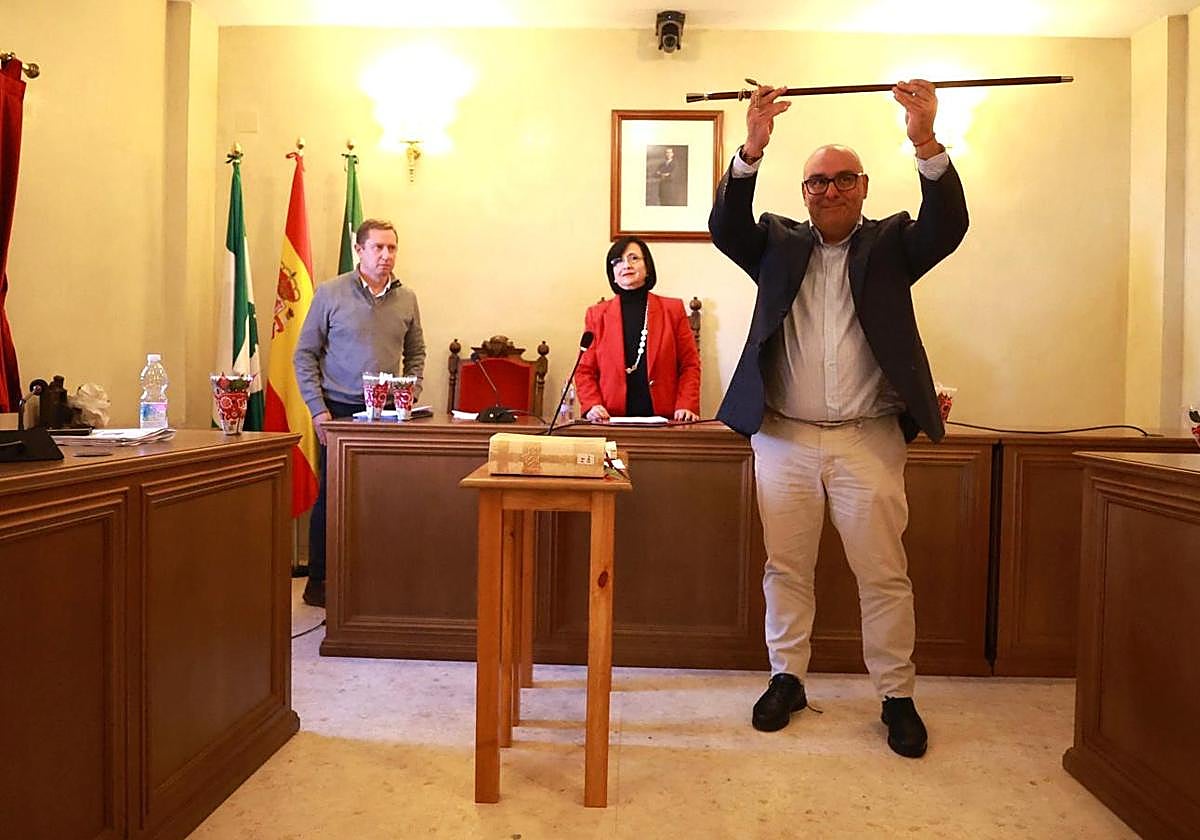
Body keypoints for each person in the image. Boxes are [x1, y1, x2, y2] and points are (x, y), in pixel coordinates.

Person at [708, 80, 969, 757]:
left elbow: (948, 227)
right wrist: (751, 150)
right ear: (804, 193)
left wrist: (925, 140)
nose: (830, 190)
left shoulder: (893, 244)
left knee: (883, 571)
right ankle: (786, 678)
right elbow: (726, 228)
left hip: (868, 438)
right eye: (817, 181)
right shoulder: (775, 243)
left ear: (863, 187)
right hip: (783, 436)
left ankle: (896, 694)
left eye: (843, 179)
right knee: (786, 567)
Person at [294, 219, 426, 607]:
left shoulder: (407, 298)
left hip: (389, 414)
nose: (386, 256)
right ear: (359, 250)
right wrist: (318, 410)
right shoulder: (330, 293)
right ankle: (320, 581)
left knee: (383, 497)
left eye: (392, 248)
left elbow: (416, 352)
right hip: (339, 412)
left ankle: (376, 579)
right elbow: (304, 354)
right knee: (333, 498)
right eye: (377, 248)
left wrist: (411, 391)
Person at [576, 236, 701, 422]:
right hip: (610, 419)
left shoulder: (672, 310)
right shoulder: (597, 315)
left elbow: (689, 365)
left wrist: (686, 404)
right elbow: (584, 370)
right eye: (618, 261)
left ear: (647, 267)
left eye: (634, 258)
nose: (626, 265)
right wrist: (592, 405)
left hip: (666, 420)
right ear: (612, 274)